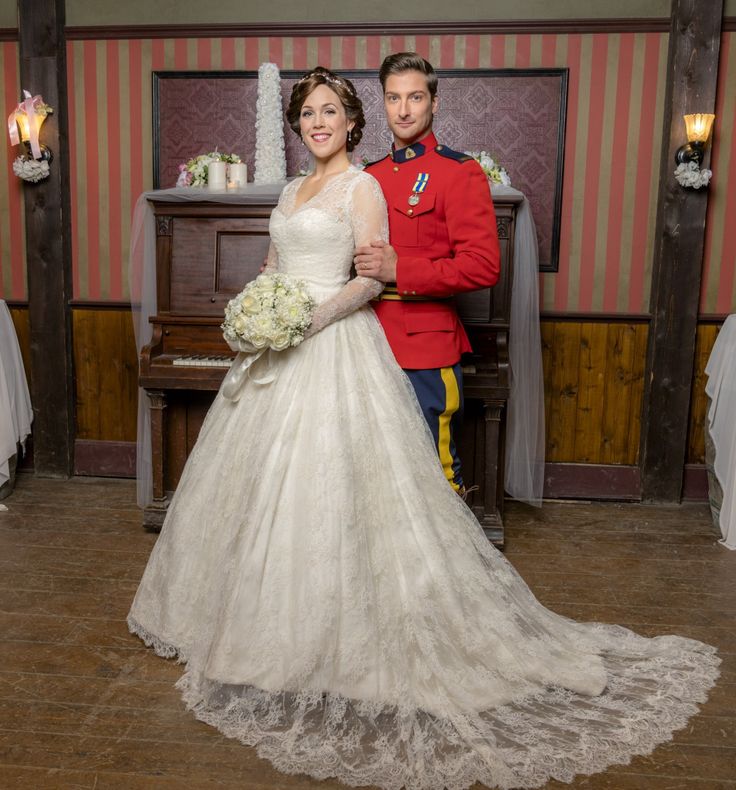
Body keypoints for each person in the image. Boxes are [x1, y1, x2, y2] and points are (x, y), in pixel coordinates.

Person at [128, 67, 719, 790]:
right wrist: (257, 312)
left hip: (353, 345)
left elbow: (417, 270)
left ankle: (392, 625)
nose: (318, 123)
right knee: (287, 498)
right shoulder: (294, 189)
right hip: (284, 354)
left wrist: (306, 319)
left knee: (403, 503)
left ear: (354, 121)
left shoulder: (391, 182)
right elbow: (274, 265)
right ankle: (265, 626)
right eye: (308, 113)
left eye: (329, 112)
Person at [356, 53, 501, 495]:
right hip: (366, 342)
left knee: (436, 475)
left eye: (415, 97)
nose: (403, 109)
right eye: (393, 98)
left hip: (425, 346)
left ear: (434, 103)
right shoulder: (368, 176)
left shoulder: (459, 172)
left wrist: (401, 270)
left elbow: (484, 265)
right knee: (373, 469)